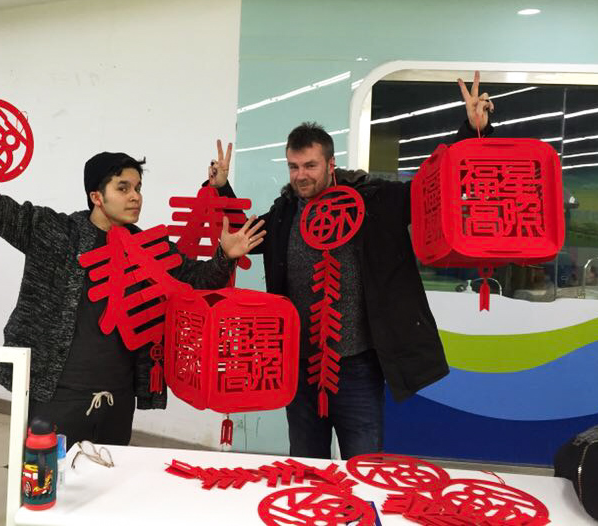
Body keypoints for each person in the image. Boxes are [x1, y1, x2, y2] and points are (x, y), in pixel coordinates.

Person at [0, 76, 266, 447]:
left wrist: (225, 255)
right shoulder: (52, 231)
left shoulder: (150, 248)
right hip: (56, 392)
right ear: (96, 195)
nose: (135, 197)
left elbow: (196, 280)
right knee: (48, 476)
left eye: (137, 188)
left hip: (118, 396)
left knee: (109, 478)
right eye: (123, 188)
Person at [207, 72, 494, 459]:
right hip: (301, 365)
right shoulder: (285, 212)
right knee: (307, 465)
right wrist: (221, 189)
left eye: (310, 165)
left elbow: (434, 183)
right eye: (293, 166)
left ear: (331, 163)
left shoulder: (374, 201)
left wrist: (472, 132)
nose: (300, 175)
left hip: (358, 366)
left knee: (363, 465)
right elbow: (244, 235)